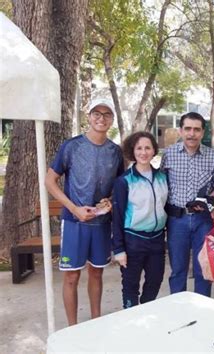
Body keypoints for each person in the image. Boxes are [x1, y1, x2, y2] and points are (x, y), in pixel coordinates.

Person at [45, 98, 124, 326]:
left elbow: (118, 187)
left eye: (106, 114)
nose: (101, 118)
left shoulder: (115, 152)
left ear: (112, 120)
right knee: (71, 276)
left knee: (97, 273)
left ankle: (95, 324)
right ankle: (72, 328)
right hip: (73, 222)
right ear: (88, 117)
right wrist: (74, 209)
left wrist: (109, 201)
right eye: (96, 113)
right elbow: (50, 181)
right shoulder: (71, 146)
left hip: (101, 224)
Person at [160, 112, 214, 296]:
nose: (191, 134)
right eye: (187, 129)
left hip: (203, 221)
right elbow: (162, 184)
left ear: (203, 132)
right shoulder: (169, 155)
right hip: (176, 220)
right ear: (181, 131)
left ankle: (201, 313)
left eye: (196, 129)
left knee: (203, 269)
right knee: (178, 270)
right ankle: (179, 311)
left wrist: (210, 199)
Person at [112, 132, 168, 309]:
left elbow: (165, 206)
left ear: (153, 151)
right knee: (130, 286)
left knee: (155, 282)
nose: (143, 152)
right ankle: (131, 320)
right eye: (139, 148)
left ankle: (145, 313)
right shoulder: (124, 181)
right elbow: (117, 216)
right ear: (132, 151)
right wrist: (119, 249)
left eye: (147, 148)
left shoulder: (162, 177)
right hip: (133, 241)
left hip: (157, 240)